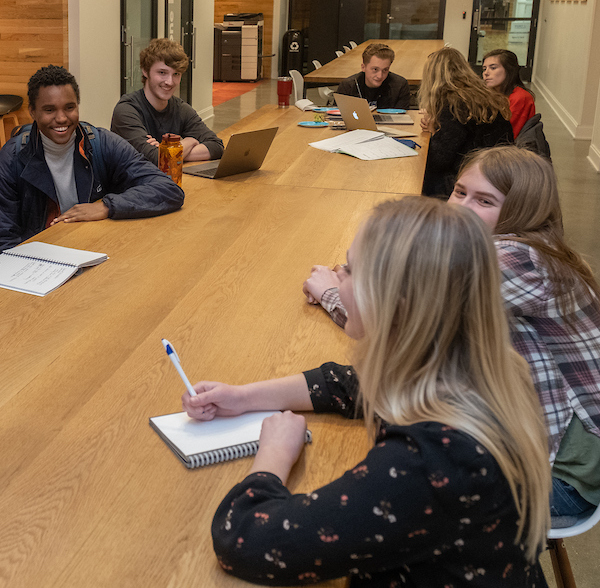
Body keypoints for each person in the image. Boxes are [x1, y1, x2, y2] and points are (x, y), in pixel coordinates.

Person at [182, 197, 551, 586]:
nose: (338, 279)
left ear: (395, 302)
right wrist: (243, 397)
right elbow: (346, 384)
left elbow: (245, 538)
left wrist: (273, 454)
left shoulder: (430, 463)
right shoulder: (484, 367)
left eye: (351, 271)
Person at [448, 145, 600, 527]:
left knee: (398, 498)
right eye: (459, 191)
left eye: (484, 200)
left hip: (561, 479)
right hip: (542, 448)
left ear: (521, 210)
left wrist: (335, 291)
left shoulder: (516, 257)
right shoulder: (523, 246)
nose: (461, 207)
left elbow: (406, 320)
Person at [0, 65, 184, 252]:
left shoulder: (102, 143)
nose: (62, 118)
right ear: (32, 111)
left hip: (94, 247)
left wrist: (106, 206)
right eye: (49, 110)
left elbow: (168, 189)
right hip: (39, 260)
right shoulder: (12, 158)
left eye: (69, 107)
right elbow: (4, 238)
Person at [111, 38, 224, 166]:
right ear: (145, 71)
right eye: (162, 72)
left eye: (176, 74)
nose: (170, 82)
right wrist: (189, 141)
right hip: (131, 184)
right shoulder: (127, 110)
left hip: (165, 181)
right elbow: (157, 159)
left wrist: (169, 153)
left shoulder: (181, 108)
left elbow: (217, 147)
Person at [419, 47, 513, 198]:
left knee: (416, 176)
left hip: (477, 177)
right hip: (498, 170)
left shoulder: (454, 103)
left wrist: (434, 132)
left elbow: (438, 160)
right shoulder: (480, 94)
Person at [335, 43, 411, 110]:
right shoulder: (348, 86)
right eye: (375, 69)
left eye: (385, 70)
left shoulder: (400, 86)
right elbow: (338, 117)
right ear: (363, 67)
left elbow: (402, 118)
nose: (380, 76)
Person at [482, 49, 535, 139]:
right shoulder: (491, 94)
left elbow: (506, 135)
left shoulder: (521, 97)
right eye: (484, 69)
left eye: (493, 68)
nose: (486, 73)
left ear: (509, 70)